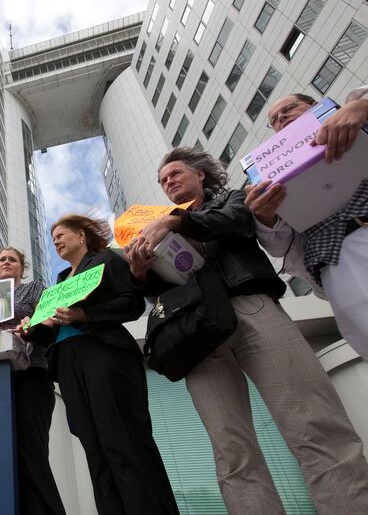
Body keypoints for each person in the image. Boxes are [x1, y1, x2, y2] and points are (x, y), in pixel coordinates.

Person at [126, 147, 368, 514]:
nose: (168, 182)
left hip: (249, 305)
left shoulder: (231, 199)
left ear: (200, 176)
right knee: (231, 452)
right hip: (197, 332)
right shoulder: (154, 226)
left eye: (175, 173)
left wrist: (176, 222)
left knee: (314, 424)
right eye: (162, 181)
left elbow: (238, 220)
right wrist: (140, 270)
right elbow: (158, 288)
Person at [20, 214, 179, 514]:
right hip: (68, 364)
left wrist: (86, 316)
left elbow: (132, 303)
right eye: (52, 238)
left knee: (122, 440)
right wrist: (30, 327)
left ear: (81, 235)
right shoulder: (58, 283)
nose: (55, 241)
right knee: (94, 449)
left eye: (61, 235)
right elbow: (46, 333)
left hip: (105, 356)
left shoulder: (105, 260)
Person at [245, 87, 368, 359]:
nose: (281, 119)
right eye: (275, 119)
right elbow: (282, 248)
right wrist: (266, 216)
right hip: (337, 265)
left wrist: (361, 107)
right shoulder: (272, 177)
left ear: (315, 105)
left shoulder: (353, 112)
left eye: (288, 110)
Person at [0, 247, 65, 515]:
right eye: (2, 259)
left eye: (12, 259)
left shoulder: (34, 289)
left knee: (31, 454)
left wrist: (24, 323)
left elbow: (47, 321)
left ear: (21, 267)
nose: (7, 262)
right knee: (1, 456)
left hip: (30, 375)